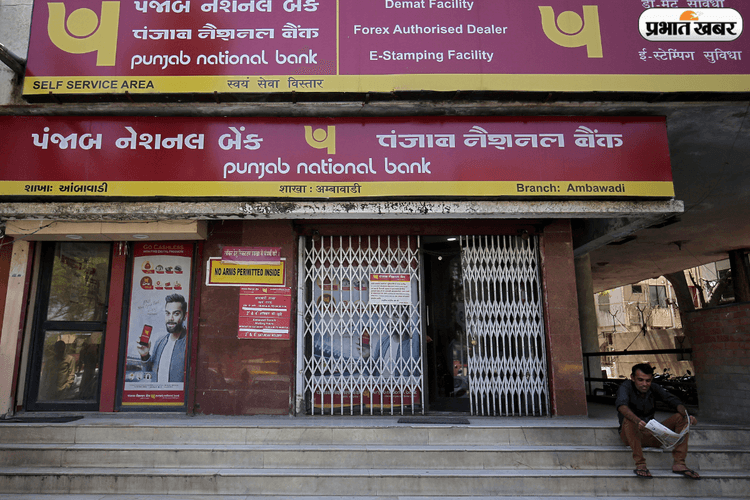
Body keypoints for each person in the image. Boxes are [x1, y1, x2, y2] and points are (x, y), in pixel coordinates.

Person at [615, 363, 700, 479]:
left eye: (648, 380)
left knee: (680, 417)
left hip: (652, 433)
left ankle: (679, 463)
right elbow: (622, 406)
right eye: (640, 380)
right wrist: (637, 421)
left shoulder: (653, 387)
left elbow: (672, 400)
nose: (644, 384)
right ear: (632, 378)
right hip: (631, 435)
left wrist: (687, 416)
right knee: (629, 419)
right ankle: (640, 464)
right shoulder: (625, 387)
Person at [137, 294, 188, 383]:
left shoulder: (189, 342)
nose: (170, 318)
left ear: (185, 316)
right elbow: (149, 373)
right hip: (157, 392)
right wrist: (145, 356)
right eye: (167, 313)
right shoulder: (160, 341)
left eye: (176, 314)